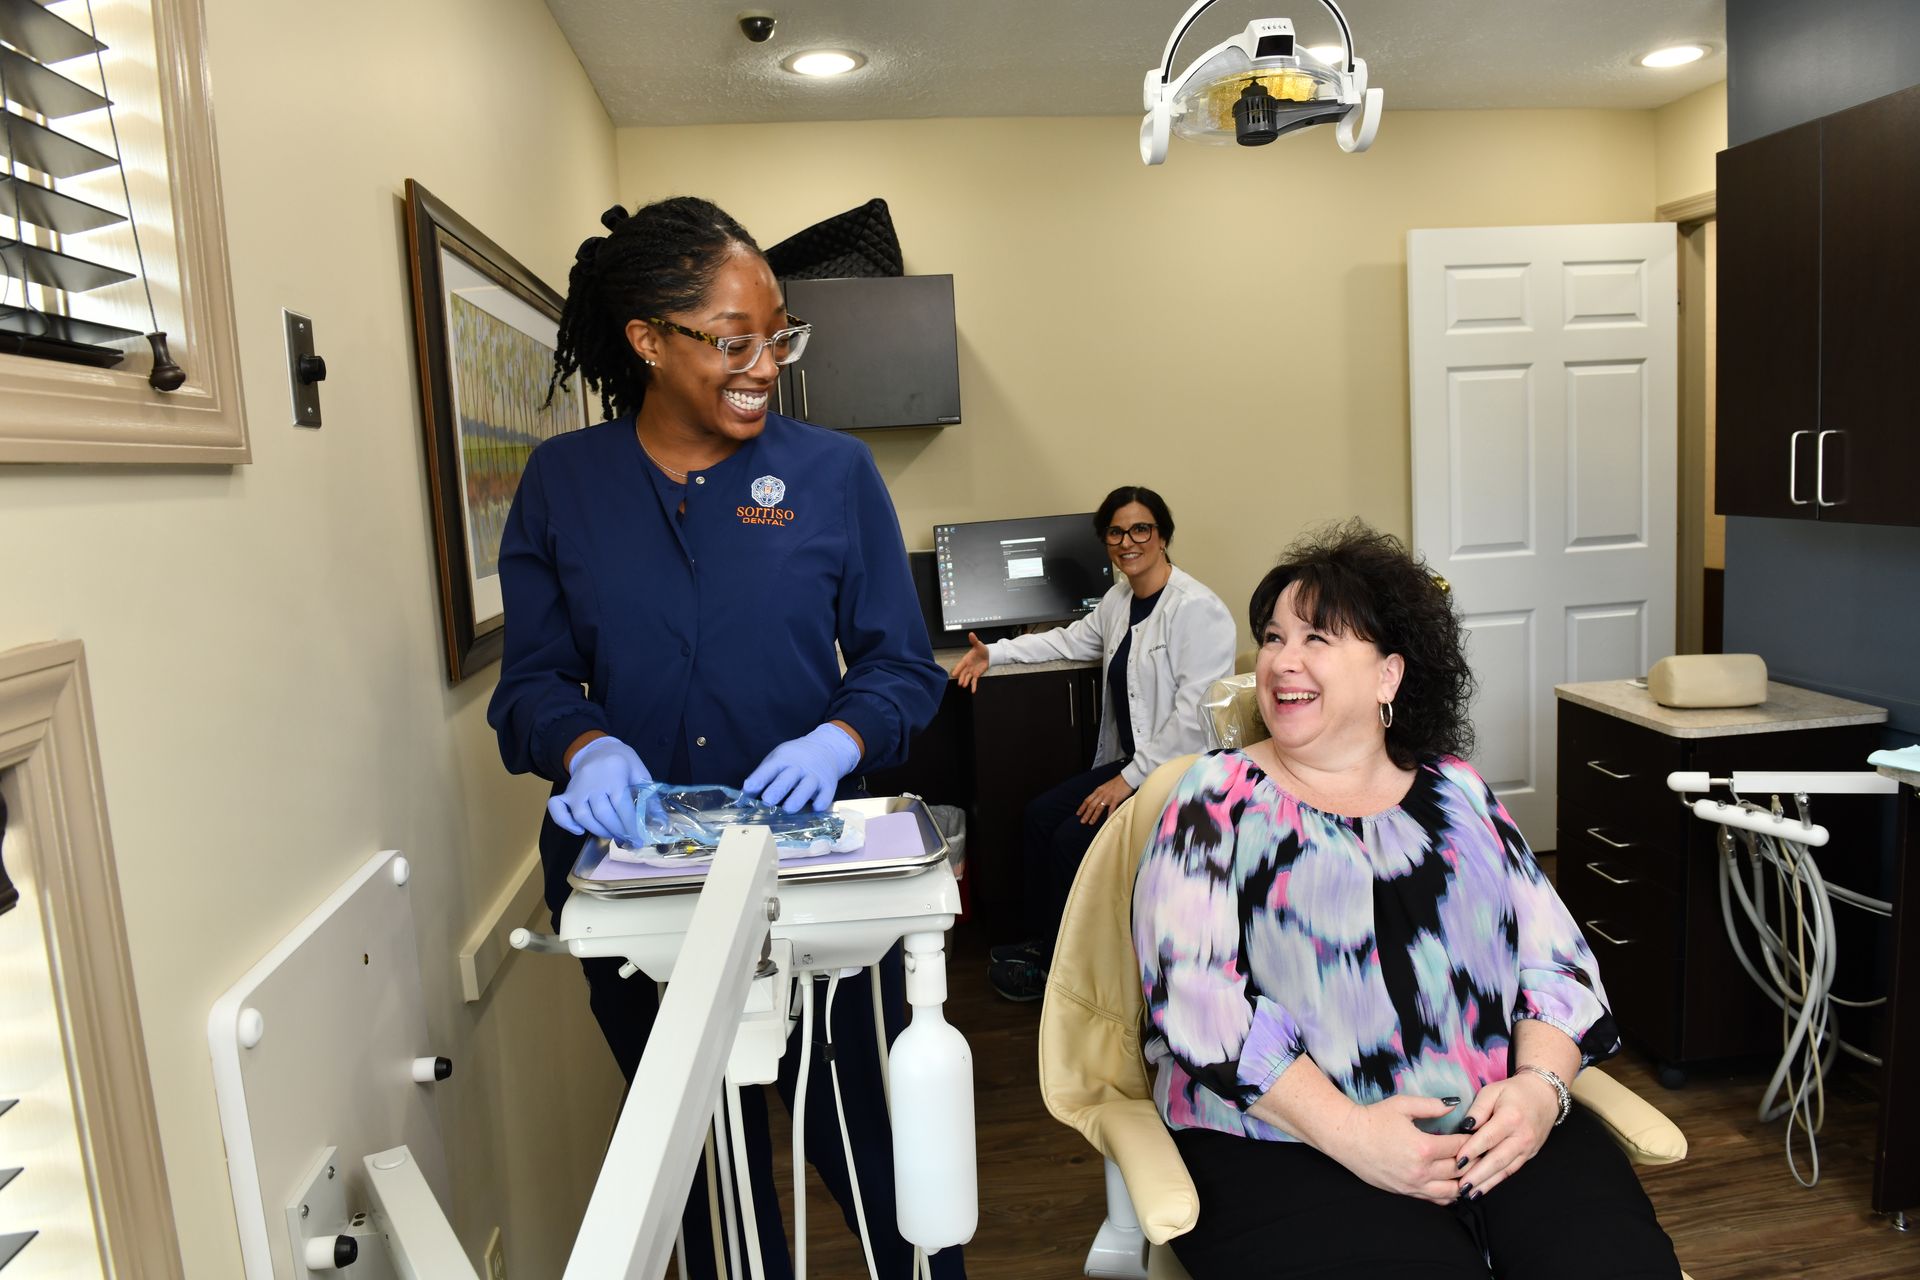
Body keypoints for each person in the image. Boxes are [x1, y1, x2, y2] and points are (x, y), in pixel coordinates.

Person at [487, 197, 959, 1279]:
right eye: (733, 340)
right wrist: (584, 747)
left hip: (820, 888)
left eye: (777, 335)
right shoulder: (568, 486)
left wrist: (840, 737)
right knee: (707, 1177)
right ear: (649, 340)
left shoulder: (833, 475)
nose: (764, 364)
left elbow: (899, 665)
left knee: (880, 1156)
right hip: (645, 890)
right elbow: (533, 682)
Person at [1131, 521, 1680, 1279]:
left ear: (1389, 676)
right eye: (1273, 637)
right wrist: (1353, 1134)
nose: (1282, 661)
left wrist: (1540, 1092)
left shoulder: (1459, 790)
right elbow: (1197, 1005)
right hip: (1288, 1144)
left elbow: (1559, 966)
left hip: (1497, 1127)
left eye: (1316, 638)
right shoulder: (1215, 795)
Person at [951, 485, 1236, 1001]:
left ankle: (1066, 976)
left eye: (1140, 529)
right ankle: (1048, 945)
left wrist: (1123, 783)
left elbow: (1193, 723)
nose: (1128, 541)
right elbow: (1070, 640)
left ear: (1163, 535)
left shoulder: (1198, 610)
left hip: (1178, 776)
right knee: (1039, 815)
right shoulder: (1120, 599)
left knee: (1068, 840)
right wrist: (994, 653)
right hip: (1133, 763)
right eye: (1116, 532)